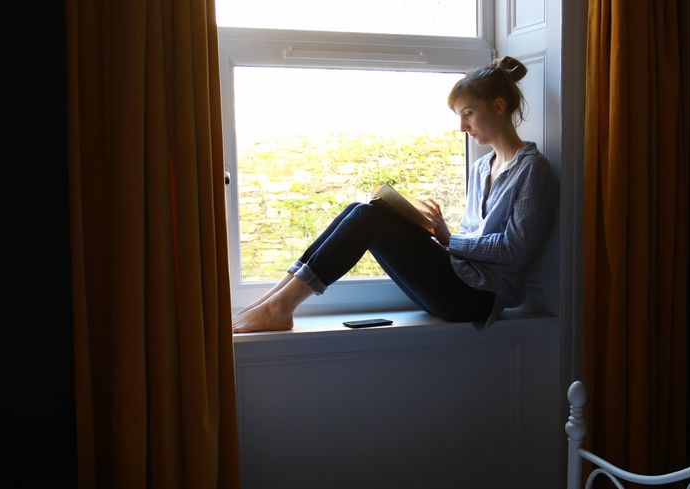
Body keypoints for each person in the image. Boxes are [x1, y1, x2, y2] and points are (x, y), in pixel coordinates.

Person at [232, 56, 558, 333]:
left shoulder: (534, 171)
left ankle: (280, 307)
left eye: (468, 113)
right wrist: (431, 233)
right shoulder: (483, 167)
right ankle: (271, 302)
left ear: (498, 107)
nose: (462, 126)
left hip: (477, 298)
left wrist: (449, 240)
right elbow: (475, 240)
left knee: (366, 219)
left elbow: (516, 250)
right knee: (358, 209)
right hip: (459, 278)